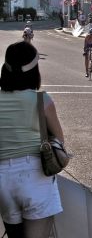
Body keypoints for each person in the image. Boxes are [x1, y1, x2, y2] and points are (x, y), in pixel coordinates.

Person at [0, 41, 65, 238]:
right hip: (34, 176)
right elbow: (60, 142)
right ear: (34, 71)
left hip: (2, 179)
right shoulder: (41, 100)